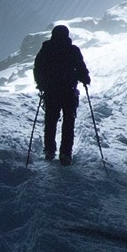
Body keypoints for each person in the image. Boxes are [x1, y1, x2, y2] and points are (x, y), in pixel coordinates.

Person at [33, 24, 91, 165]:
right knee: (68, 122)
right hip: (68, 91)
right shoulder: (73, 50)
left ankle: (50, 150)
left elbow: (38, 68)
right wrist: (85, 78)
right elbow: (81, 67)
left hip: (51, 91)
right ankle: (65, 153)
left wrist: (41, 84)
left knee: (51, 121)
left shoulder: (47, 48)